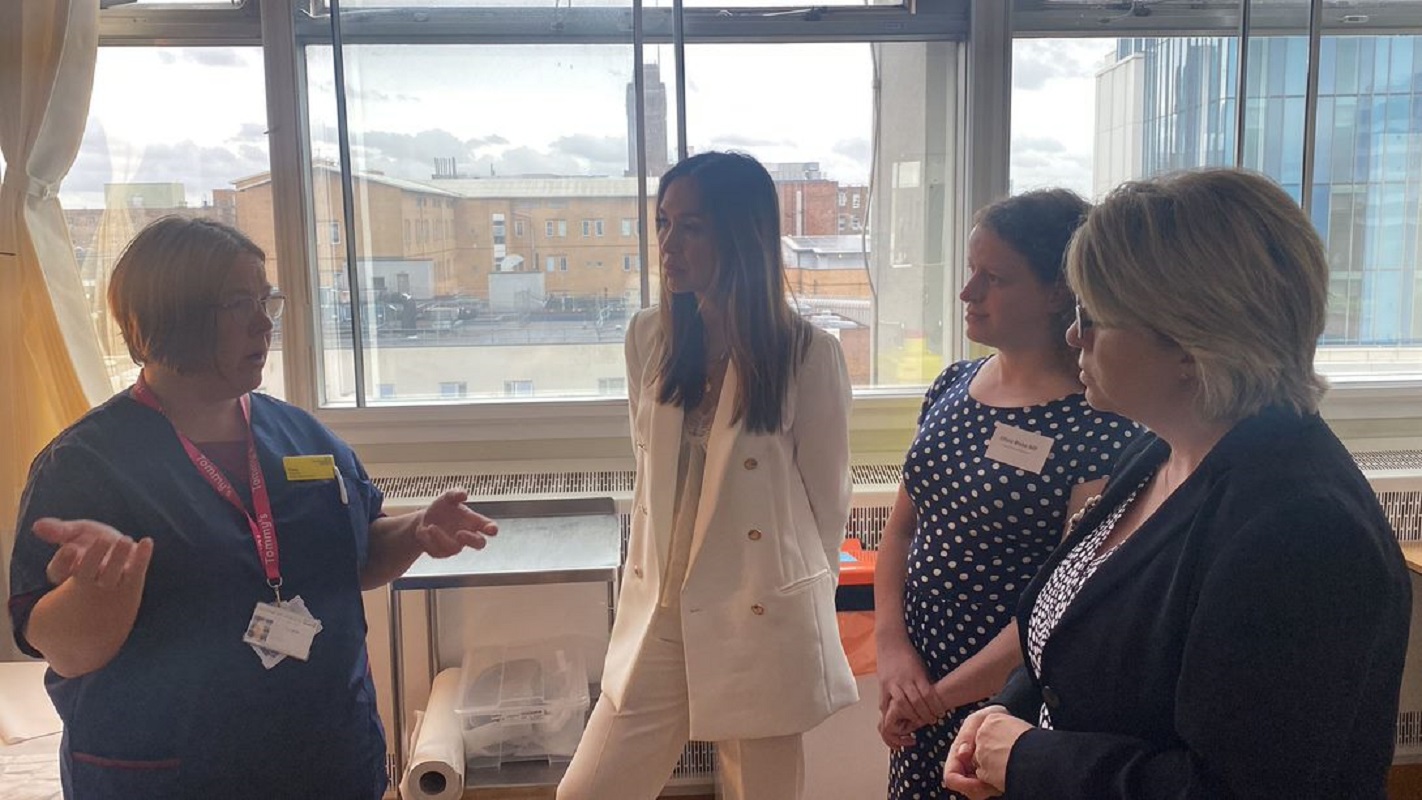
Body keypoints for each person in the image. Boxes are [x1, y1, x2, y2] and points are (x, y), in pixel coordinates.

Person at [943, 169, 1412, 800]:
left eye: (1094, 316)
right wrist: (1002, 717)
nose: (1075, 335)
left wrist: (1026, 758)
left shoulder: (1301, 531)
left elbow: (1235, 788)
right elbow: (1071, 629)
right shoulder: (1161, 445)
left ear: (1192, 345)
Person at [9, 216, 500, 799]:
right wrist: (98, 590)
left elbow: (356, 557)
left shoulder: (301, 436)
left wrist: (415, 532)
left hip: (327, 762)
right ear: (172, 313)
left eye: (267, 298)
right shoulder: (87, 465)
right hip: (170, 778)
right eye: (238, 301)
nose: (264, 320)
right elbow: (65, 651)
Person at [557, 152, 856, 800]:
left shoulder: (807, 353)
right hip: (661, 611)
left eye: (690, 227)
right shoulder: (649, 339)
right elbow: (652, 478)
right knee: (587, 792)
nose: (668, 244)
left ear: (741, 234)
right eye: (663, 223)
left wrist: (793, 604)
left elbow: (827, 502)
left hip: (758, 610)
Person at [873, 189, 1141, 799]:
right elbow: (902, 529)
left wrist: (938, 700)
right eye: (971, 271)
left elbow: (1066, 604)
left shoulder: (1100, 426)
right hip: (914, 688)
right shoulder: (954, 383)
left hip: (1001, 710)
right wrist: (893, 651)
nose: (968, 293)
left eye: (993, 278)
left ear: (1057, 293)